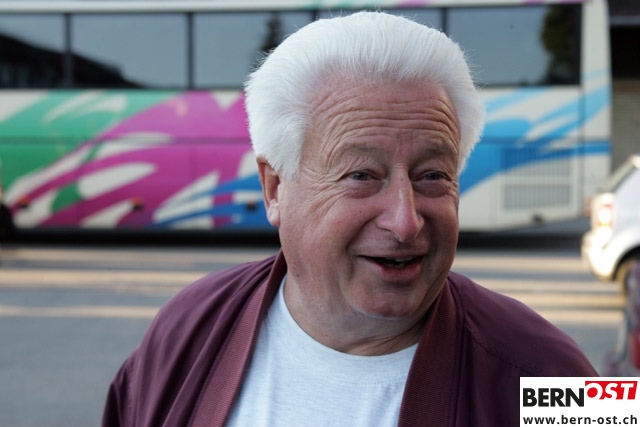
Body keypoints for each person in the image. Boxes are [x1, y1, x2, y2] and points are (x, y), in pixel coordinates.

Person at [102, 11, 597, 427]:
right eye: (361, 175)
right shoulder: (187, 327)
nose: (405, 222)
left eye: (432, 176)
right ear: (275, 189)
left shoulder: (560, 376)